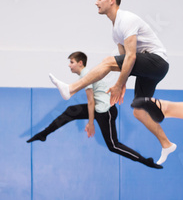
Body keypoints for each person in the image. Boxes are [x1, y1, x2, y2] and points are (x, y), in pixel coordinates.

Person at [48, 0, 176, 165]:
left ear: (112, 0)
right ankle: (166, 143)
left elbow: (130, 57)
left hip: (157, 61)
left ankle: (71, 89)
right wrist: (122, 84)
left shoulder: (127, 19)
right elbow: (124, 62)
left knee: (108, 62)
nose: (96, 2)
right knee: (139, 112)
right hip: (148, 70)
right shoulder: (115, 30)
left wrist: (117, 85)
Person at [29, 51, 163, 169]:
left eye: (71, 62)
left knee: (114, 146)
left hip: (106, 112)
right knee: (71, 111)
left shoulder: (86, 76)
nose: (69, 65)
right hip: (99, 108)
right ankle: (44, 134)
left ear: (80, 63)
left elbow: (91, 101)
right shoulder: (86, 75)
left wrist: (91, 123)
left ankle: (145, 161)